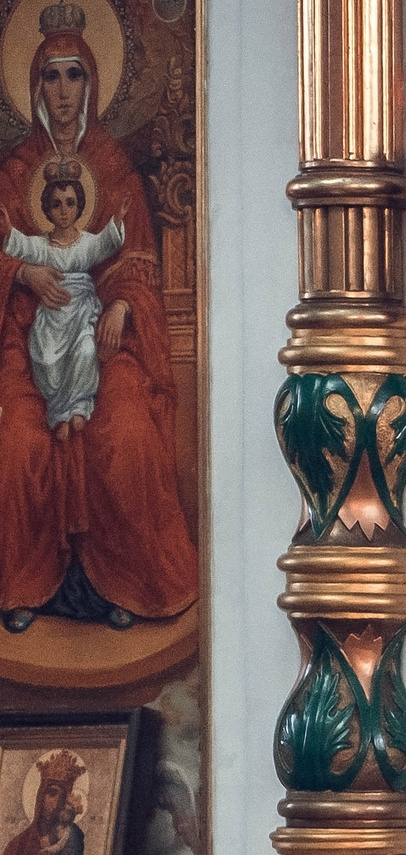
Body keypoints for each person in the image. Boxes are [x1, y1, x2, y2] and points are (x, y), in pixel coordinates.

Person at [0, 9, 199, 634]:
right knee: (19, 445)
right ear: (35, 86)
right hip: (27, 338)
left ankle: (126, 584)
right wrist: (23, 274)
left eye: (75, 76)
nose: (63, 92)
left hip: (103, 334)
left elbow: (132, 256)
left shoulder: (113, 167)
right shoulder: (14, 173)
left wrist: (120, 304)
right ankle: (25, 585)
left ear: (91, 83)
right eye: (52, 77)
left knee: (127, 434)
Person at [5, 162, 121, 434]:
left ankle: (79, 406)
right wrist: (8, 229)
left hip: (81, 312)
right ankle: (58, 410)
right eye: (56, 204)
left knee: (85, 351)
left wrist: (117, 221)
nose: (64, 210)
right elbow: (21, 245)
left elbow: (106, 242)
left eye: (70, 203)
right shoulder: (41, 246)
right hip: (52, 315)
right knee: (46, 358)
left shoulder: (87, 242)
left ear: (80, 206)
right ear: (47, 209)